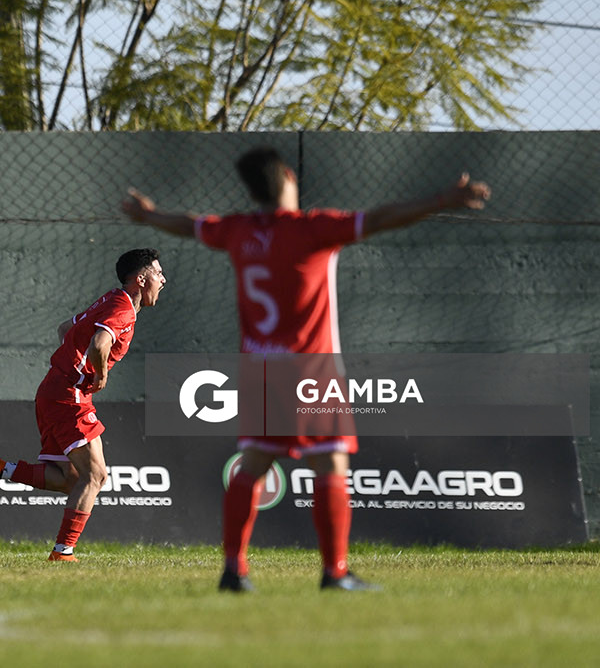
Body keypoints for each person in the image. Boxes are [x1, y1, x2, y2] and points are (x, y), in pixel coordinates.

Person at [122, 146, 490, 592]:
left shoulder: (236, 231)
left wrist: (149, 215)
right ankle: (334, 572)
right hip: (311, 366)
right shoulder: (313, 229)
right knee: (331, 462)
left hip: (260, 367)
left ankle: (233, 569)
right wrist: (440, 201)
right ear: (287, 176)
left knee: (254, 464)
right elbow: (380, 218)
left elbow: (188, 224)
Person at [0, 249, 166, 562]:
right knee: (96, 475)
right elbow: (100, 343)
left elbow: (64, 328)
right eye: (158, 273)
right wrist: (98, 374)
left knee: (70, 478)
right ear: (141, 279)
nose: (163, 280)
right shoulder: (123, 309)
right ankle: (62, 553)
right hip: (68, 396)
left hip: (56, 391)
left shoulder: (112, 299)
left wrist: (72, 366)